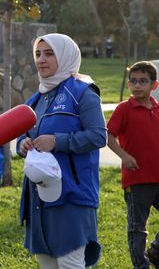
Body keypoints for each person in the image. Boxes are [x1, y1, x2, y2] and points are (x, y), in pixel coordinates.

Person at [16, 33, 106, 268]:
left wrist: (58, 141)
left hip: (72, 196)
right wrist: (22, 145)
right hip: (39, 198)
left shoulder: (83, 93)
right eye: (38, 54)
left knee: (70, 263)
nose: (41, 60)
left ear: (66, 56)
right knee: (46, 262)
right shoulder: (34, 100)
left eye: (49, 53)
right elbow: (21, 137)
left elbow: (98, 135)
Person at [106, 61, 159, 269]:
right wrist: (124, 155)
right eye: (133, 81)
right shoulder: (124, 109)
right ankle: (141, 265)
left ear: (154, 85)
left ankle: (155, 251)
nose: (137, 85)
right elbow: (108, 136)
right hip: (137, 180)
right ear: (129, 85)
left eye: (143, 81)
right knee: (137, 228)